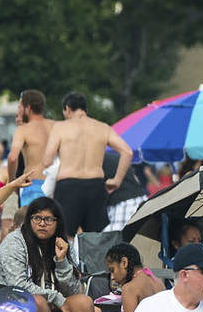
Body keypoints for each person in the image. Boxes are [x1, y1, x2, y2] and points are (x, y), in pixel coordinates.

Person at [0, 196, 96, 312]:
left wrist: (62, 262)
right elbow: (18, 286)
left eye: (48, 219)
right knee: (38, 301)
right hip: (9, 305)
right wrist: (56, 298)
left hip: (52, 306)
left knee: (84, 303)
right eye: (37, 218)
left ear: (57, 222)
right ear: (29, 220)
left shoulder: (63, 244)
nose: (42, 223)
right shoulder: (15, 242)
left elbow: (74, 290)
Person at [41, 92, 135, 238]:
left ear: (67, 109)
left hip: (68, 186)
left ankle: (67, 262)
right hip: (95, 186)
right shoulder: (103, 127)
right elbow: (127, 152)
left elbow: (46, 161)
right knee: (95, 239)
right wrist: (116, 180)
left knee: (63, 237)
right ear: (85, 109)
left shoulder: (60, 127)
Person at [91, 242, 165, 312]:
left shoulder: (130, 288)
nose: (113, 277)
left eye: (112, 270)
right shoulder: (158, 282)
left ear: (124, 262)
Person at [9, 90, 54, 207]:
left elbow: (13, 158)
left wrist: (12, 182)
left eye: (20, 107)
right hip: (55, 185)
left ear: (27, 108)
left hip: (33, 185)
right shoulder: (56, 126)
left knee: (32, 223)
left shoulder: (23, 130)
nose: (18, 111)